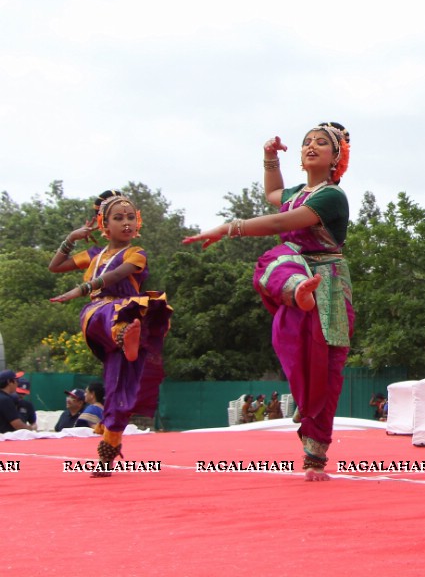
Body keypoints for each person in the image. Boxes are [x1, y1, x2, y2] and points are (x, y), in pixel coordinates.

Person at [184, 122, 354, 482]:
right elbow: (275, 194)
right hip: (296, 269)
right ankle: (296, 292)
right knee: (295, 348)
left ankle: (314, 457)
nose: (311, 147)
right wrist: (269, 156)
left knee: (325, 367)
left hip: (328, 281)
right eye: (307, 142)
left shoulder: (331, 196)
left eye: (322, 143)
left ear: (336, 157)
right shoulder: (297, 192)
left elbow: (281, 219)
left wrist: (228, 227)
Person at [48, 191, 173, 473]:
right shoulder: (95, 254)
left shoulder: (135, 253)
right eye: (118, 218)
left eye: (130, 217)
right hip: (99, 315)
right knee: (108, 311)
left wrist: (81, 288)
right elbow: (55, 266)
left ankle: (106, 457)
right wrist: (72, 237)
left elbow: (116, 276)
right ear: (105, 225)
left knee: (121, 389)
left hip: (130, 316)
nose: (126, 223)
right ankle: (121, 334)